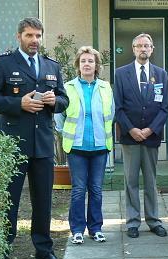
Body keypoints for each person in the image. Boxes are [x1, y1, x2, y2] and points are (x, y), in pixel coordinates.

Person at [0, 17, 68, 259]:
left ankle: (44, 250)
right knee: (11, 201)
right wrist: (19, 104)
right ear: (19, 37)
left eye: (38, 36)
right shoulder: (3, 63)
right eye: (30, 35)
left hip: (42, 145)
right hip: (14, 146)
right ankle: (3, 252)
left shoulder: (51, 65)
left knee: (43, 201)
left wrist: (54, 101)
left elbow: (64, 100)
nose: (35, 40)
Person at [54, 46, 114, 245]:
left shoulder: (106, 87)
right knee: (79, 189)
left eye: (91, 61)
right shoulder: (68, 87)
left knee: (96, 189)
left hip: (99, 147)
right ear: (78, 66)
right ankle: (77, 229)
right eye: (83, 61)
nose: (87, 64)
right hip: (77, 148)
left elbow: (111, 114)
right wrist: (68, 133)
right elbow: (59, 116)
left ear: (97, 65)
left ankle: (95, 228)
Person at [114, 33, 168, 238]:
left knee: (150, 180)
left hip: (151, 137)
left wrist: (149, 130)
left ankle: (154, 220)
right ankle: (133, 222)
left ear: (152, 49)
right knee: (131, 181)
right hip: (130, 137)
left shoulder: (161, 74)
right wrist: (131, 129)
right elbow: (118, 107)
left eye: (147, 45)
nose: (143, 49)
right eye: (139, 46)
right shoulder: (121, 74)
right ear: (133, 48)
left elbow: (164, 108)